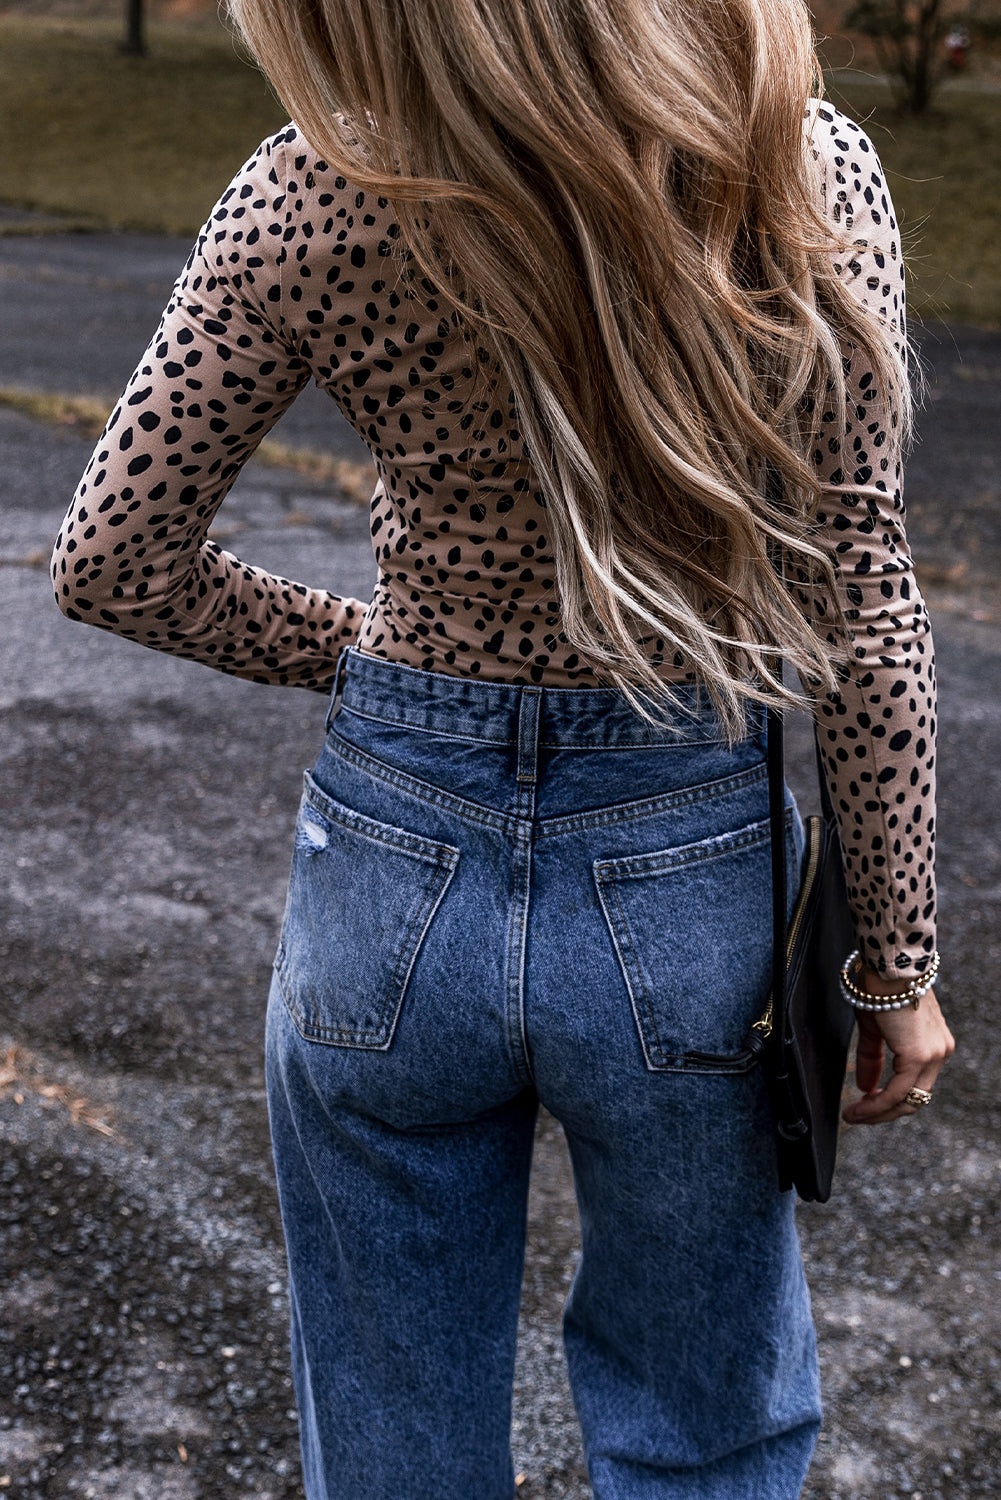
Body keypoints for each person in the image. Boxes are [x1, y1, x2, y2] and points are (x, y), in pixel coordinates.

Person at [51, 1, 955, 1495]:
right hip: (686, 865)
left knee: (394, 1430)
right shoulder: (791, 170)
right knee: (704, 1421)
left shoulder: (312, 188)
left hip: (393, 859)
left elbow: (114, 560)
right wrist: (896, 964)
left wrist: (380, 661)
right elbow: (861, 597)